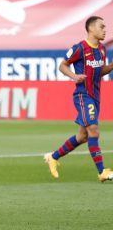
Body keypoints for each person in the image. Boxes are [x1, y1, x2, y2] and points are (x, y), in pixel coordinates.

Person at [44, 16, 113, 182]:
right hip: (83, 95)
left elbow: (100, 71)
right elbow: (62, 65)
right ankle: (102, 172)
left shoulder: (102, 49)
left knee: (83, 137)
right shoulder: (79, 48)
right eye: (101, 27)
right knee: (94, 131)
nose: (105, 30)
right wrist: (74, 76)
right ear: (91, 29)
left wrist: (111, 67)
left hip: (96, 97)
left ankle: (53, 157)